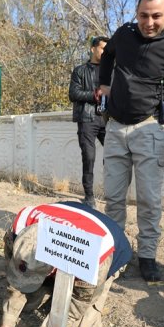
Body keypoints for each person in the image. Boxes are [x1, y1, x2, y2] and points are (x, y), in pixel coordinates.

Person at [98, 0, 164, 282]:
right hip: (115, 128)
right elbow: (107, 55)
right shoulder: (124, 34)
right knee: (113, 198)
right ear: (136, 12)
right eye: (143, 15)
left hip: (149, 129)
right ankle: (115, 252)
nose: (148, 23)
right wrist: (104, 84)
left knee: (149, 199)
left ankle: (148, 255)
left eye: (156, 16)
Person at [0, 201, 131, 327]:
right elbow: (15, 275)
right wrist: (7, 323)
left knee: (80, 326)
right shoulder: (19, 229)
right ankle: (48, 286)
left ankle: (56, 287)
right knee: (28, 303)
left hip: (112, 250)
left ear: (53, 267)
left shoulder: (92, 259)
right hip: (68, 217)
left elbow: (72, 310)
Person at [69, 36, 109, 209]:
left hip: (108, 119)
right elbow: (73, 93)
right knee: (89, 157)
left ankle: (111, 193)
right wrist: (94, 94)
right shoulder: (80, 71)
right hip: (87, 118)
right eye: (102, 48)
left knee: (114, 155)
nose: (105, 52)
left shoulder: (112, 71)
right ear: (93, 49)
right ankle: (89, 197)